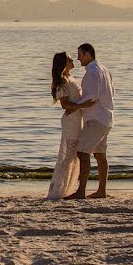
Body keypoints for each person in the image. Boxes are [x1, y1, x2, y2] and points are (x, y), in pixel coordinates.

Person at [65, 43, 115, 200]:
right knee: (100, 154)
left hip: (96, 118)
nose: (78, 58)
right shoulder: (104, 70)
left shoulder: (92, 72)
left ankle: (81, 191)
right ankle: (102, 191)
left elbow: (91, 96)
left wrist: (76, 104)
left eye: (80, 54)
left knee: (82, 151)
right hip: (106, 117)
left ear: (87, 54)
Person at [47, 52, 96, 200]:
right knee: (69, 156)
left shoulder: (70, 78)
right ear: (64, 63)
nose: (72, 60)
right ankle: (58, 190)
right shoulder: (61, 82)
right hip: (71, 121)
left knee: (73, 155)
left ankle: (67, 187)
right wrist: (84, 104)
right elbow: (66, 105)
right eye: (69, 59)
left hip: (78, 118)